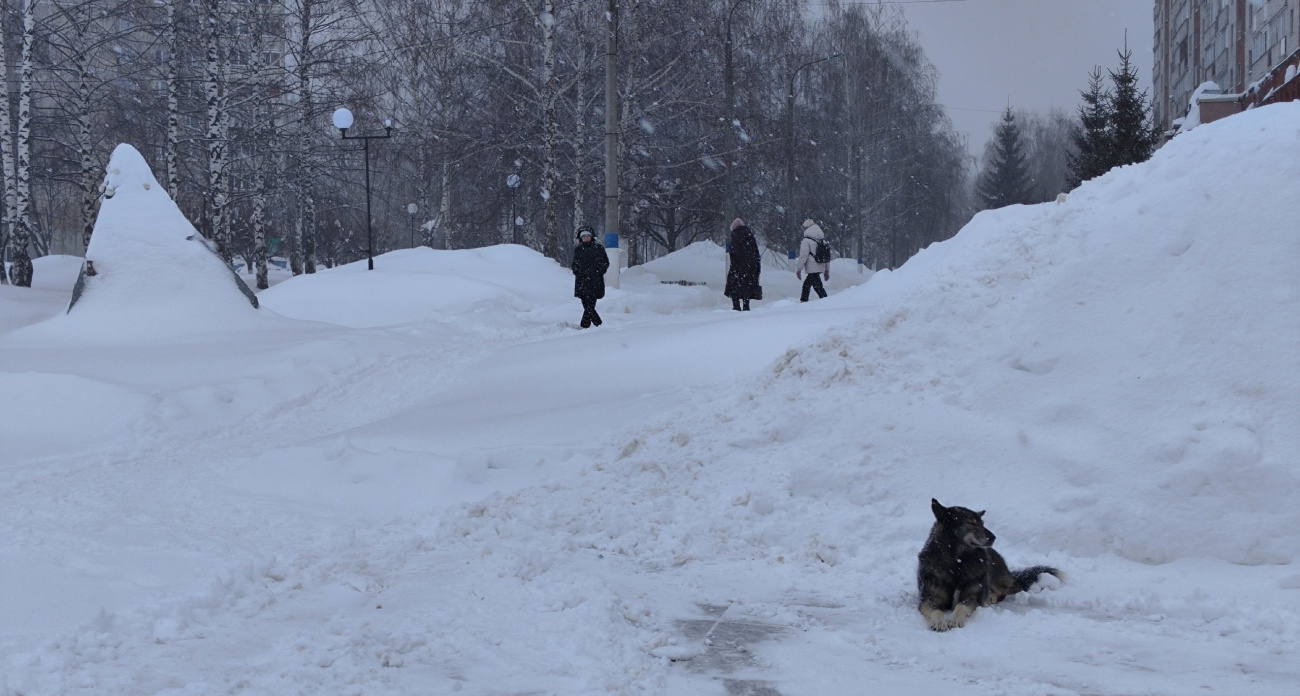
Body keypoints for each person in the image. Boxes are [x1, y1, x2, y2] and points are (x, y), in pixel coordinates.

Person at [571, 226, 610, 328]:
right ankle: (597, 323)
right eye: (583, 236)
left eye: (587, 236)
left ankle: (585, 324)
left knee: (590, 303)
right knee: (585, 303)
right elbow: (575, 263)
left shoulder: (598, 248)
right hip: (582, 281)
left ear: (591, 236)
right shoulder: (578, 249)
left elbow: (605, 263)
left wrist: (598, 271)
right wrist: (577, 271)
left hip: (595, 281)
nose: (585, 238)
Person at [724, 218, 762, 311]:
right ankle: (746, 305)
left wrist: (734, 265)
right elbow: (755, 252)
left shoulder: (735, 236)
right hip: (750, 266)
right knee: (747, 285)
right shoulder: (749, 235)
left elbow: (733, 253)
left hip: (737, 266)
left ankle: (736, 306)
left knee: (734, 285)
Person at [794, 218, 829, 302]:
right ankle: (825, 300)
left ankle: (804, 301)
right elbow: (827, 256)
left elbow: (803, 256)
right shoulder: (822, 240)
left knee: (808, 285)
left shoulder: (806, 240)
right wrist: (826, 270)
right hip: (820, 264)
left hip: (812, 267)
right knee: (815, 285)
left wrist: (799, 269)